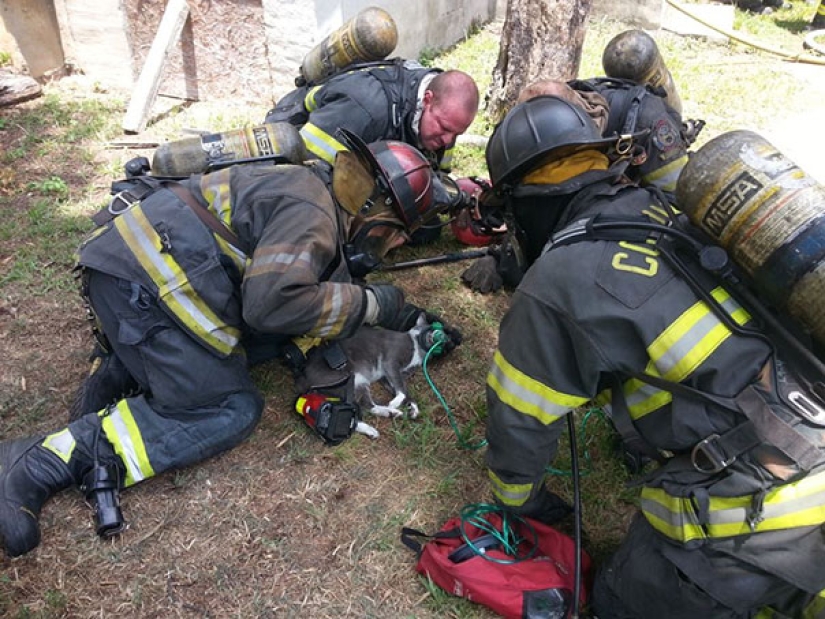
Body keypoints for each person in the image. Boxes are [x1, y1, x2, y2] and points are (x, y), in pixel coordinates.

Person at [0, 131, 459, 558]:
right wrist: (369, 304)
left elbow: (302, 290)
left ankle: (128, 366)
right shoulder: (314, 214)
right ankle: (38, 462)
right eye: (394, 232)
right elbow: (271, 304)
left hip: (129, 275)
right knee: (231, 407)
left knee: (262, 345)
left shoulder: (313, 188)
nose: (393, 244)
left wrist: (404, 318)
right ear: (374, 211)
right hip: (144, 293)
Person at [481, 95, 825, 618]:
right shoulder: (661, 211)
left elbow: (519, 415)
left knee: (619, 603)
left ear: (524, 204)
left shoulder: (558, 280)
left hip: (771, 518)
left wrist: (519, 501)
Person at [460, 76, 700, 294]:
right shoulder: (548, 122)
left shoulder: (645, 120)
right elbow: (542, 212)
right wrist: (503, 257)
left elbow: (679, 207)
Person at [264, 60, 484, 245]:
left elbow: (436, 177)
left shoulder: (445, 122)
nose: (447, 140)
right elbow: (304, 170)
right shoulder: (366, 109)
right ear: (427, 100)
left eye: (457, 134)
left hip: (352, 155)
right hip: (300, 145)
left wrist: (454, 195)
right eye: (444, 128)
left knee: (427, 228)